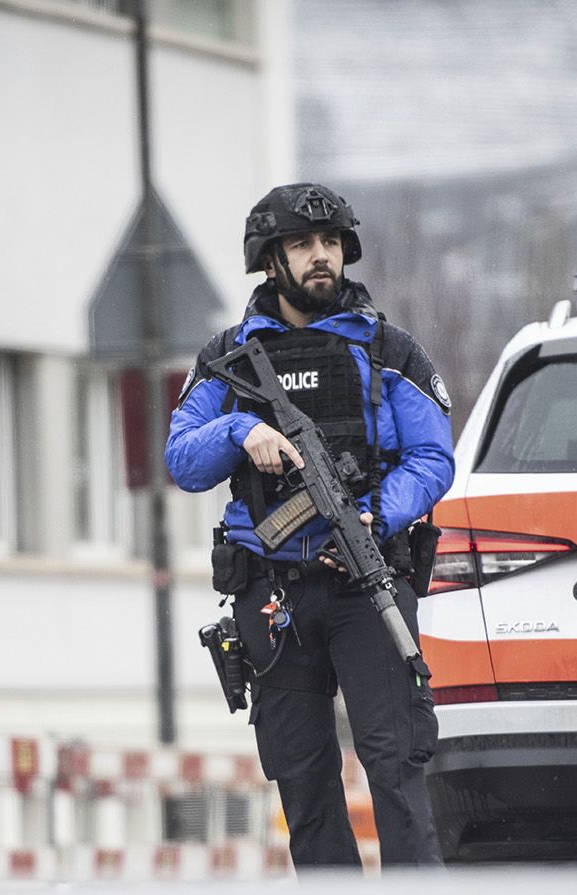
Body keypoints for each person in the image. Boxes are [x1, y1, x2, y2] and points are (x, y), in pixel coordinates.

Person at [167, 183, 456, 870]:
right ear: (272, 260)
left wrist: (377, 512)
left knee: (396, 768)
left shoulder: (388, 350)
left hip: (368, 583)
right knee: (304, 782)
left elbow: (433, 456)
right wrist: (241, 429)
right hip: (271, 596)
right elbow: (181, 458)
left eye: (330, 243)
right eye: (303, 245)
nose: (320, 256)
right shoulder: (228, 359)